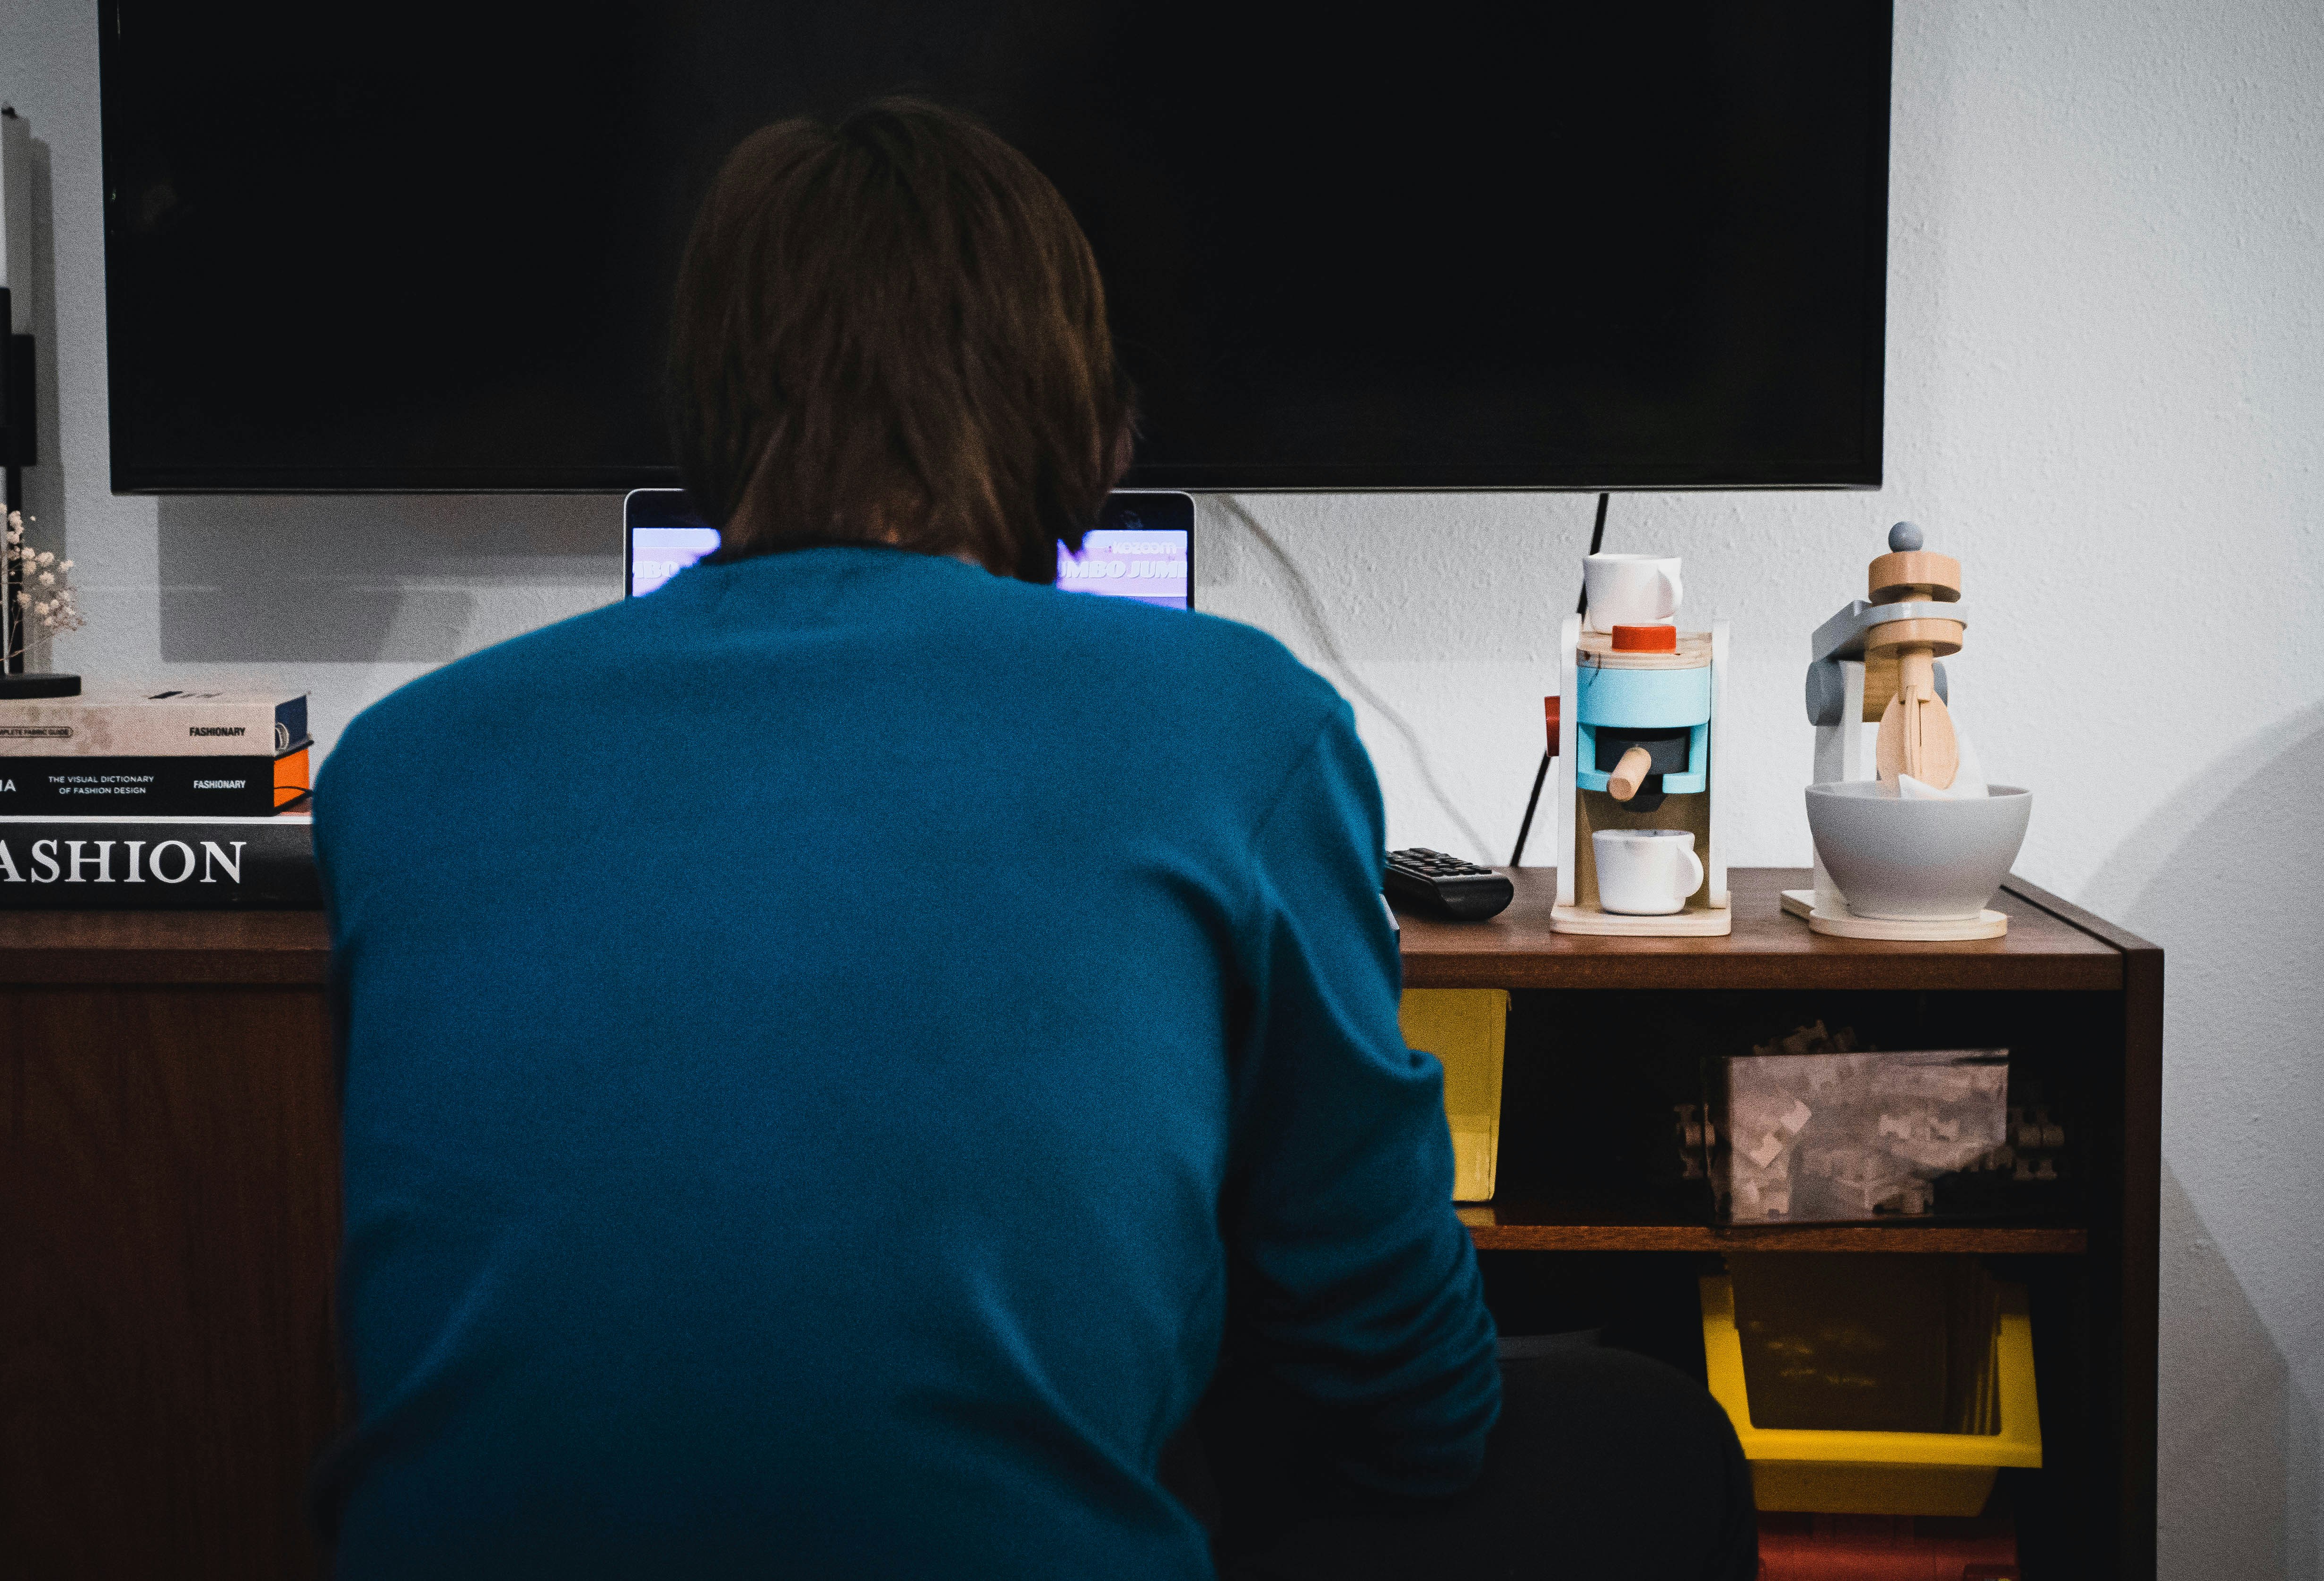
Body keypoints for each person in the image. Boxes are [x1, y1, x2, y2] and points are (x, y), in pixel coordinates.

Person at [312, 98, 1751, 1580]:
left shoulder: (405, 767)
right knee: (1654, 1435)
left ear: (707, 393)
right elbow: (1407, 1385)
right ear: (1072, 406)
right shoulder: (1234, 730)